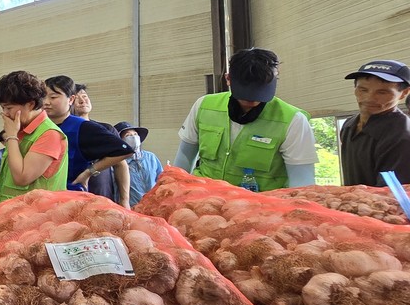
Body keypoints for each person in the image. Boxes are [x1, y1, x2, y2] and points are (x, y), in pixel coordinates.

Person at [175, 47, 317, 190]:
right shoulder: (204, 106)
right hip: (205, 200)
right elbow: (184, 160)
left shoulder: (293, 121)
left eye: (260, 91)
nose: (253, 98)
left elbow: (302, 184)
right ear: (228, 79)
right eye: (246, 91)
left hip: (262, 207)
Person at [44, 76, 133, 206]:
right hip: (45, 199)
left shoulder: (82, 127)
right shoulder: (41, 127)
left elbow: (124, 150)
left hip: (75, 200)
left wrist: (89, 172)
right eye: (43, 97)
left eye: (53, 97)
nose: (46, 102)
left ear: (70, 99)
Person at [0, 71, 69, 204]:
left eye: (8, 107)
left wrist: (11, 136)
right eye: (3, 108)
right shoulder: (20, 130)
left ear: (31, 104)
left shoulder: (49, 135)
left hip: (35, 217)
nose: (5, 113)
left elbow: (22, 178)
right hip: (10, 214)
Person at [339, 60, 410, 185]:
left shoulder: (402, 136)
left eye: (382, 92)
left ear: (404, 93)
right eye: (363, 90)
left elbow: (390, 195)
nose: (369, 98)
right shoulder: (349, 125)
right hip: (353, 201)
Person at [115, 122, 163, 206]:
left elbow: (161, 180)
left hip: (154, 206)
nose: (133, 137)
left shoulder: (150, 157)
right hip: (131, 209)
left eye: (135, 134)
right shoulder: (117, 163)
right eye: (128, 136)